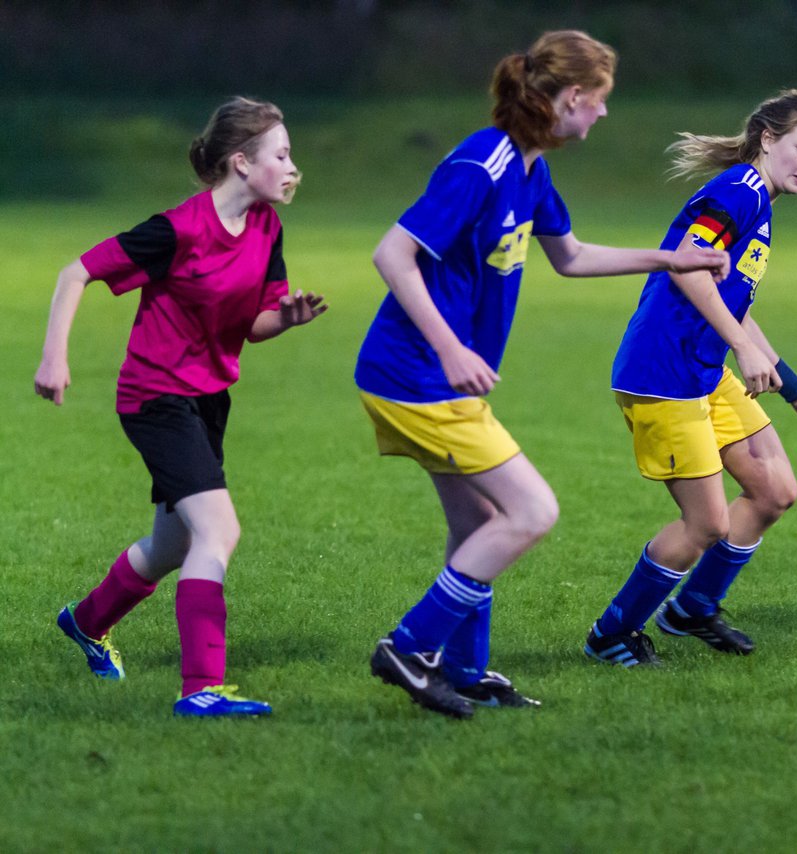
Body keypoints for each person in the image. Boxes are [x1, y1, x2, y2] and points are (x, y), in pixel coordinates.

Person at [356, 30, 730, 720]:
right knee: (532, 511)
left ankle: (465, 672)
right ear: (573, 98)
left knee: (479, 522)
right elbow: (392, 254)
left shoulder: (530, 171)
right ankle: (411, 648)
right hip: (415, 376)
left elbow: (573, 256)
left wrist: (669, 260)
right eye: (601, 101)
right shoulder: (481, 165)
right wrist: (448, 348)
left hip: (428, 380)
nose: (605, 115)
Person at [35, 96, 327, 716]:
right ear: (243, 162)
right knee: (219, 531)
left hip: (208, 400)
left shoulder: (268, 227)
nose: (292, 165)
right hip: (154, 397)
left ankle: (85, 622)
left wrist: (289, 319)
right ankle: (201, 690)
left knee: (172, 544)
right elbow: (74, 272)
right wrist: (53, 358)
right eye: (282, 153)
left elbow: (254, 325)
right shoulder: (177, 230)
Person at [584, 89, 797, 667]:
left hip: (701, 371)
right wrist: (742, 349)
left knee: (775, 491)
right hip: (662, 373)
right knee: (706, 523)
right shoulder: (738, 192)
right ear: (768, 139)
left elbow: (736, 302)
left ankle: (692, 607)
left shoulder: (760, 203)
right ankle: (610, 634)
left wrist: (794, 390)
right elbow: (687, 271)